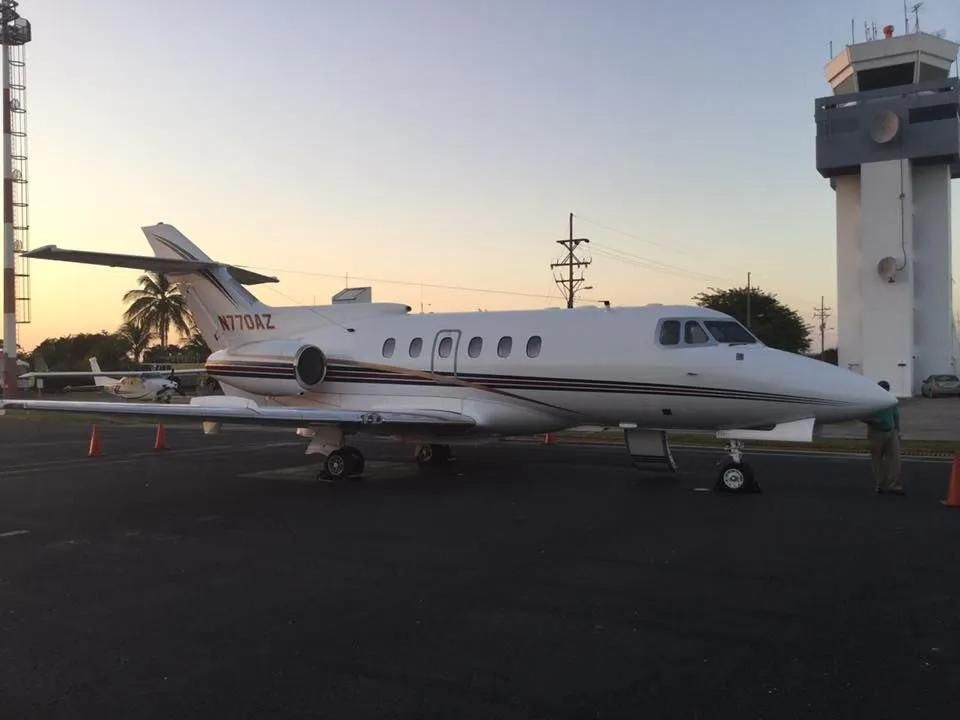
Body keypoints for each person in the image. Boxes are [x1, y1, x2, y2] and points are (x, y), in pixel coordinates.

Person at [864, 380, 904, 495]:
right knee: (877, 459)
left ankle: (893, 484)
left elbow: (896, 415)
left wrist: (898, 430)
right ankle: (880, 484)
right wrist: (874, 421)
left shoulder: (891, 400)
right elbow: (860, 415)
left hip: (891, 432)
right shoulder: (871, 401)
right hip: (876, 432)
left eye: (886, 390)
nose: (885, 392)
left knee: (895, 459)